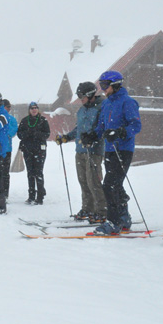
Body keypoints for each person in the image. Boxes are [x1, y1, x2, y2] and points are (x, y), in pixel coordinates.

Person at [82, 71, 141, 235]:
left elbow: (136, 126)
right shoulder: (107, 104)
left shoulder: (128, 102)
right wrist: (92, 136)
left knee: (109, 185)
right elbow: (101, 127)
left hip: (123, 149)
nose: (102, 89)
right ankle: (124, 218)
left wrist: (120, 132)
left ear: (115, 85)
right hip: (109, 150)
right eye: (101, 85)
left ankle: (113, 222)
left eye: (105, 85)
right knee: (116, 185)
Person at [56, 82, 107, 222]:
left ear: (90, 95)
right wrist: (66, 137)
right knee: (83, 181)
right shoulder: (82, 110)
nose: (80, 99)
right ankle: (88, 208)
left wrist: (92, 139)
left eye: (81, 96)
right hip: (80, 150)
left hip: (94, 150)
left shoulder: (101, 108)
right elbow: (78, 129)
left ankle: (101, 211)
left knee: (94, 182)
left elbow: (102, 129)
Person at [17, 102, 51, 205]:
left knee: (38, 173)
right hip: (28, 150)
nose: (34, 110)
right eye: (32, 108)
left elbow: (47, 134)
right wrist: (27, 133)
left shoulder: (43, 120)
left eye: (36, 108)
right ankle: (31, 195)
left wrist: (37, 134)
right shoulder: (24, 121)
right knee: (30, 173)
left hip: (39, 150)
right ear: (29, 110)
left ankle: (40, 196)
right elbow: (19, 134)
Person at [2, 99, 18, 199]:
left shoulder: (12, 119)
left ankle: (5, 194)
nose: (9, 109)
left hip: (7, 149)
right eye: (7, 107)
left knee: (5, 173)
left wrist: (3, 133)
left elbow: (13, 132)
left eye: (9, 107)